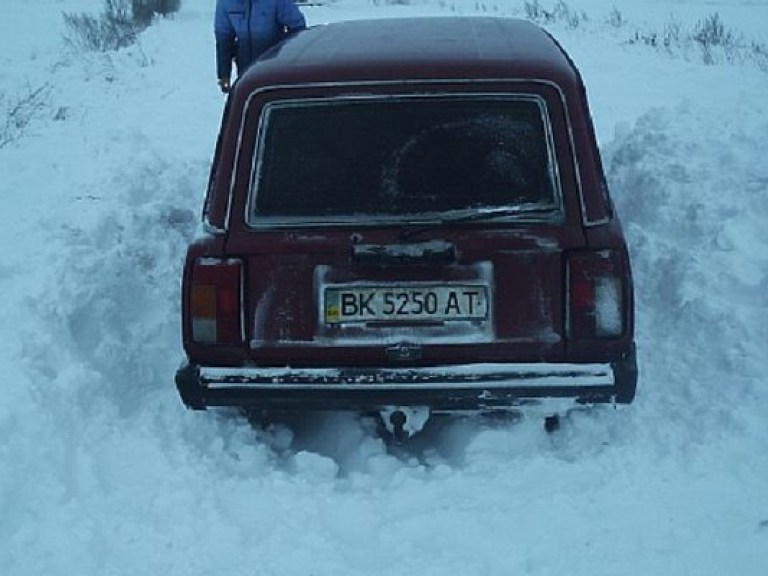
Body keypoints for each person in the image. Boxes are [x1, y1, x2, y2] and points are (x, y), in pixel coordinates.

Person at [214, 0, 306, 93]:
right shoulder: (226, 2)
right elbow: (224, 38)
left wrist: (282, 52)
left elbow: (298, 27)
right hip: (245, 71)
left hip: (275, 69)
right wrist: (224, 74)